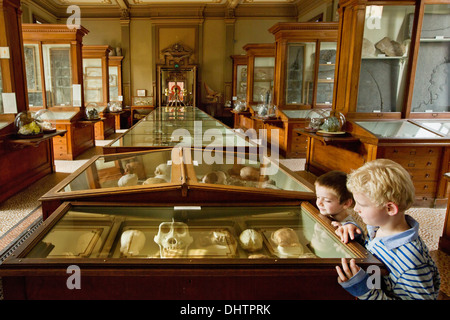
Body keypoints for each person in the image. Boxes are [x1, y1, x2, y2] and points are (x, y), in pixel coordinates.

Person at [335, 159, 440, 300]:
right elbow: (374, 255)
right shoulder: (379, 227)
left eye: (362, 204)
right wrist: (356, 236)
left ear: (389, 208)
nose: (356, 209)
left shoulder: (411, 260)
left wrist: (364, 290)